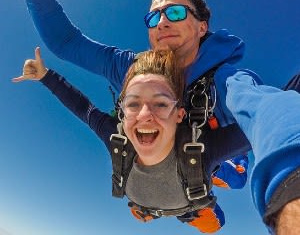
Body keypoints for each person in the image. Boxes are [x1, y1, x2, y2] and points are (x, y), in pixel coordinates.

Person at [23, 0, 300, 233]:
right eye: (153, 17)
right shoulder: (130, 70)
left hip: (207, 149)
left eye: (175, 12)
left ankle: (210, 183)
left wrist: (291, 181)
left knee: (234, 176)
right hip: (161, 166)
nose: (162, 22)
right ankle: (171, 206)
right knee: (164, 169)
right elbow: (66, 42)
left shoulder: (225, 82)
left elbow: (264, 107)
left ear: (202, 26)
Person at [14, 47, 250, 233]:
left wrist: (285, 99)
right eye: (133, 104)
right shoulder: (118, 139)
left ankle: (219, 169)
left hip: (193, 176)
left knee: (234, 185)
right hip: (174, 199)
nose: (145, 116)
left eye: (160, 104)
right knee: (211, 223)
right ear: (123, 113)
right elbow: (83, 108)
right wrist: (45, 76)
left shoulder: (204, 150)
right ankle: (180, 200)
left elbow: (265, 122)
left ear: (180, 114)